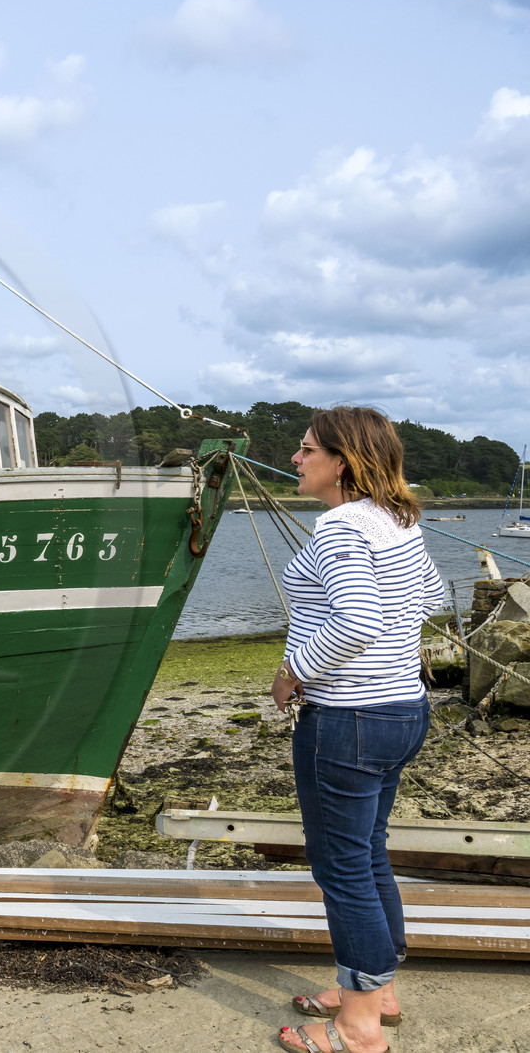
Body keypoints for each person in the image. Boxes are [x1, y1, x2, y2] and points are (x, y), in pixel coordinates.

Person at [271, 407, 445, 1053]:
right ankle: (376, 991)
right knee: (367, 853)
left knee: (342, 867)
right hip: (401, 710)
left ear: (340, 461)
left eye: (306, 448)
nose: (295, 457)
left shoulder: (342, 525)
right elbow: (427, 593)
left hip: (349, 719)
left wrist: (292, 671)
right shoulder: (397, 519)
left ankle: (358, 1027)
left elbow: (359, 621)